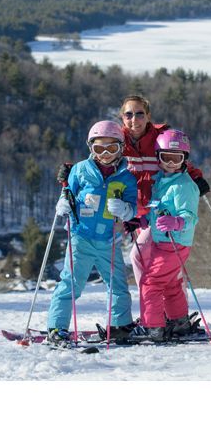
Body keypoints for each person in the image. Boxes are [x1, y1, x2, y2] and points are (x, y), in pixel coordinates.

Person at [47, 121, 138, 346]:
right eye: (99, 149)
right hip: (81, 237)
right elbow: (68, 191)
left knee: (117, 285)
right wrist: (63, 204)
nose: (105, 154)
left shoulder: (127, 176)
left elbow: (133, 207)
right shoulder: (80, 170)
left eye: (111, 148)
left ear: (121, 148)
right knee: (71, 283)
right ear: (91, 148)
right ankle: (57, 327)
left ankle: (119, 326)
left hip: (110, 240)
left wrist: (126, 211)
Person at [128, 129, 200, 342]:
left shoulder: (184, 186)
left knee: (150, 284)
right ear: (158, 157)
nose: (170, 163)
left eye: (176, 158)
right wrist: (143, 220)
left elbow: (190, 217)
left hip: (174, 243)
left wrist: (177, 222)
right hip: (163, 241)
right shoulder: (161, 181)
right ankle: (178, 322)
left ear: (184, 159)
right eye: (165, 157)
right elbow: (157, 210)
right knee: (170, 284)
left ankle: (153, 327)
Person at [119, 95, 207, 222]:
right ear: (122, 117)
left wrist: (195, 177)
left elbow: (176, 159)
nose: (134, 120)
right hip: (130, 211)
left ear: (148, 116)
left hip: (159, 209)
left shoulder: (160, 138)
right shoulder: (118, 141)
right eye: (128, 115)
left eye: (140, 114)